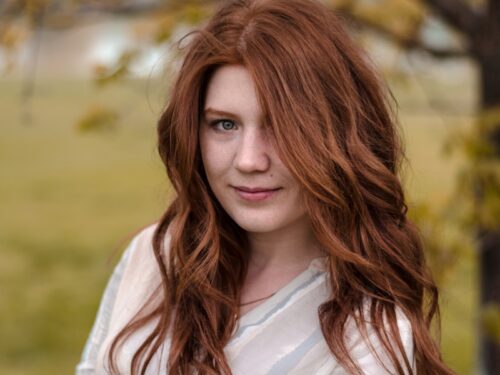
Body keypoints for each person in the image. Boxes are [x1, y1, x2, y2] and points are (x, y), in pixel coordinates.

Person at [76, 0, 454, 374]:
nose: (249, 160)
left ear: (339, 137)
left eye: (279, 126)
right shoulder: (155, 256)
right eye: (225, 124)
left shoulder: (368, 337)